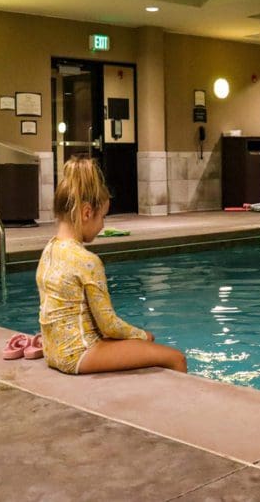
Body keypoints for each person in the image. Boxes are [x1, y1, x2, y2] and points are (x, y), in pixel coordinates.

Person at [36, 157, 187, 374]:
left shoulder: (50, 250)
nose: (103, 225)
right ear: (87, 213)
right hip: (78, 354)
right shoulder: (86, 261)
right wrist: (143, 335)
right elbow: (108, 324)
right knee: (176, 358)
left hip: (53, 351)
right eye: (103, 217)